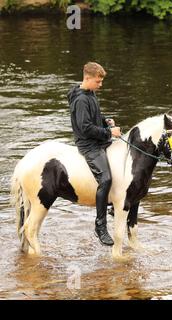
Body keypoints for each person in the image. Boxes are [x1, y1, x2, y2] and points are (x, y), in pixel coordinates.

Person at [67, 62, 121, 246]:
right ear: (87, 78)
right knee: (105, 179)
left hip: (99, 141)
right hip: (89, 145)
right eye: (98, 81)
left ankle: (115, 206)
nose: (100, 85)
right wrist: (109, 133)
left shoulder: (90, 93)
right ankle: (100, 226)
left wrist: (105, 120)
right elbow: (85, 127)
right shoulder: (81, 100)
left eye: (101, 81)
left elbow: (93, 117)